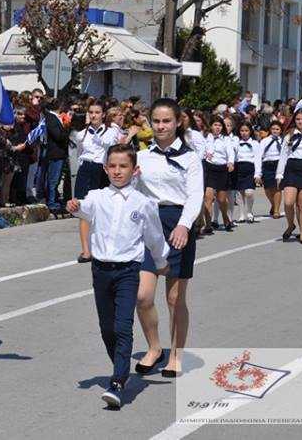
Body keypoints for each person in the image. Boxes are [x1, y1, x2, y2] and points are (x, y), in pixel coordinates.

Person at [67, 144, 169, 409]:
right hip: (101, 270)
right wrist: (74, 205)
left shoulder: (143, 203)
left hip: (128, 271)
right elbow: (83, 208)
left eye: (123, 166)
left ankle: (118, 382)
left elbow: (154, 236)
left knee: (123, 326)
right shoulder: (97, 196)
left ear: (135, 170)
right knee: (107, 328)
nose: (117, 171)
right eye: (112, 166)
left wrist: (160, 261)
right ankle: (120, 365)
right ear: (105, 168)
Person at [134, 98, 204, 378]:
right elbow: (133, 192)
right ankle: (154, 348)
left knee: (175, 298)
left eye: (167, 121)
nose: (161, 126)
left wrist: (184, 226)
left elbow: (195, 195)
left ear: (177, 123)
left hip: (178, 224)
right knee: (142, 296)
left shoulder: (190, 158)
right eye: (157, 121)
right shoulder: (141, 157)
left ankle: (176, 354)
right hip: (150, 225)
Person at [72, 102, 116, 263]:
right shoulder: (82, 134)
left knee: (103, 209)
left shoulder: (110, 133)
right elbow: (79, 153)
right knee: (83, 209)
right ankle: (86, 251)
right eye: (91, 112)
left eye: (97, 112)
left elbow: (108, 146)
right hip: (86, 168)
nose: (94, 115)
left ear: (103, 114)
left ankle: (104, 247)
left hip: (101, 170)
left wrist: (98, 133)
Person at [276, 107, 302, 243]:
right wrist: (279, 175)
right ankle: (291, 224)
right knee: (288, 202)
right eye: (297, 119)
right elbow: (283, 156)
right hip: (291, 169)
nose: (300, 122)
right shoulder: (289, 135)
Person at [203, 115, 235, 231]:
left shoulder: (226, 139)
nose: (217, 127)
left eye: (220, 125)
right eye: (215, 125)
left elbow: (230, 152)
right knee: (208, 197)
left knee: (221, 199)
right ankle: (208, 224)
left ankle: (226, 218)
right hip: (209, 168)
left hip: (222, 169)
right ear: (211, 126)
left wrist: (230, 162)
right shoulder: (206, 137)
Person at [42, 98, 70, 214]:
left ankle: (54, 200)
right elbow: (58, 135)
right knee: (53, 179)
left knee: (56, 179)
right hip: (55, 153)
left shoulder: (55, 117)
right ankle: (51, 202)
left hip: (60, 153)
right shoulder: (51, 118)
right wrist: (67, 128)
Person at [232, 122, 262, 223]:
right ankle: (241, 214)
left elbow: (258, 159)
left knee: (249, 192)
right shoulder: (236, 142)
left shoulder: (255, 143)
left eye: (246, 131)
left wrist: (258, 174)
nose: (244, 133)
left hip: (250, 168)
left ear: (250, 132)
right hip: (238, 167)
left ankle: (249, 211)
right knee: (240, 193)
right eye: (242, 131)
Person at [258, 119, 283, 219]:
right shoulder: (265, 141)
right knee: (268, 189)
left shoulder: (283, 141)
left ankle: (276, 210)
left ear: (280, 130)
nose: (275, 131)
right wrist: (258, 172)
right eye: (273, 129)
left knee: (277, 188)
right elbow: (259, 155)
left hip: (278, 164)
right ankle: (273, 204)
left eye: (277, 129)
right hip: (267, 164)